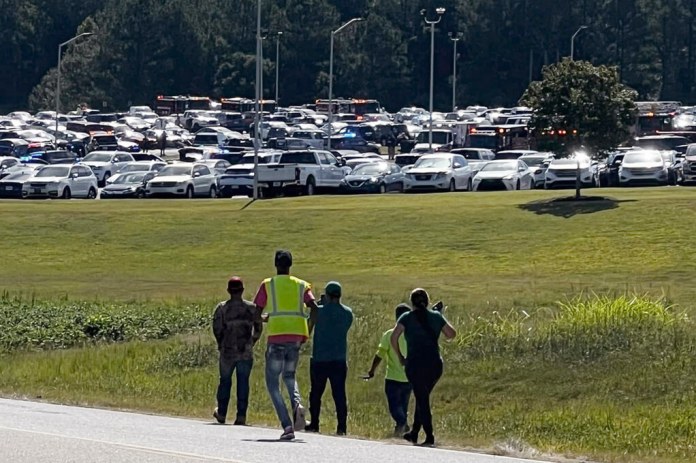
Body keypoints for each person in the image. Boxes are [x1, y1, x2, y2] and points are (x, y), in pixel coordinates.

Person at [254, 250, 319, 441]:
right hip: (296, 336)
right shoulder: (301, 285)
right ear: (290, 265)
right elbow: (314, 308)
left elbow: (256, 312)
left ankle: (287, 425)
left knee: (273, 383)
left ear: (275, 264)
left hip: (276, 336)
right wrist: (308, 329)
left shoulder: (268, 285)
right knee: (290, 376)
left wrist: (266, 318)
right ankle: (297, 404)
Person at [391, 289, 456, 448]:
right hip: (434, 364)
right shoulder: (436, 316)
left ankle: (429, 435)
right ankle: (414, 433)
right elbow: (451, 334)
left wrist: (400, 357)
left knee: (422, 398)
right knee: (422, 396)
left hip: (415, 364)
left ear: (412, 303)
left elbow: (394, 337)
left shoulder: (406, 317)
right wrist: (438, 316)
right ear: (427, 301)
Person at [212, 276, 263, 426]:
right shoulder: (252, 308)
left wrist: (221, 343)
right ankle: (241, 416)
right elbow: (259, 328)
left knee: (225, 381)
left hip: (227, 352)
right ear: (242, 290)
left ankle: (222, 413)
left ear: (228, 290)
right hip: (245, 352)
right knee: (243, 383)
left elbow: (217, 329)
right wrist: (252, 341)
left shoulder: (221, 308)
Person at [305, 281, 353, 435]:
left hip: (320, 359)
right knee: (339, 394)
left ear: (327, 294)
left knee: (316, 393)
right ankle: (342, 427)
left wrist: (319, 307)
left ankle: (314, 424)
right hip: (339, 359)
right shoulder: (347, 313)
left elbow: (308, 329)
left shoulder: (318, 312)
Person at [364, 303, 412, 435]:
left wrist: (372, 370)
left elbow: (379, 354)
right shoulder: (413, 336)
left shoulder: (390, 334)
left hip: (392, 378)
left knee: (394, 406)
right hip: (409, 378)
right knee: (403, 405)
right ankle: (401, 428)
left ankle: (402, 423)